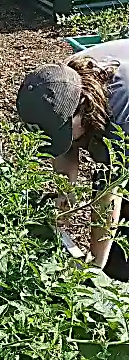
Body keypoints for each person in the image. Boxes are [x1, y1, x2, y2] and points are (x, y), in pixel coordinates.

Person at [17, 40, 129, 277]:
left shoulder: (119, 118)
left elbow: (107, 196)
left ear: (84, 107)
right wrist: (65, 193)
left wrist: (94, 269)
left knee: (118, 239)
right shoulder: (61, 83)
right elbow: (65, 147)